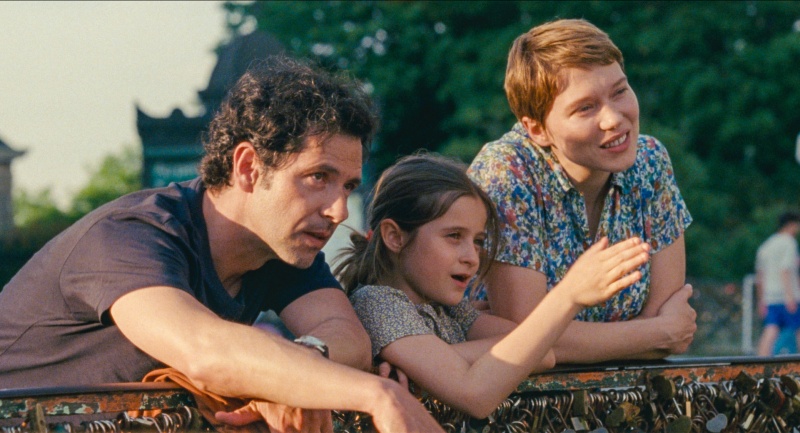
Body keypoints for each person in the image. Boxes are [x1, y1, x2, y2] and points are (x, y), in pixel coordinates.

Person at [0, 57, 444, 433]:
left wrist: (298, 368)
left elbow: (348, 338)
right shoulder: (131, 235)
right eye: (317, 177)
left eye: (347, 186)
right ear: (248, 167)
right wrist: (378, 395)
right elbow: (205, 351)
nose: (339, 211)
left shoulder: (280, 247)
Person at [334, 154, 650, 418]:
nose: (472, 257)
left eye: (478, 241)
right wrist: (568, 296)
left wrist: (442, 358)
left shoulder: (448, 309)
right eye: (454, 236)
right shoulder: (377, 303)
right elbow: (474, 395)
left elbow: (542, 353)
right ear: (394, 236)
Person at [467, 18, 696, 363]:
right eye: (585, 108)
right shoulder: (507, 172)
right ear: (537, 129)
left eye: (619, 91)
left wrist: (573, 339)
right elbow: (526, 341)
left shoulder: (650, 161)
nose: (613, 119)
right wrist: (657, 333)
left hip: (629, 386)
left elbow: (668, 311)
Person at [755, 211, 800, 356]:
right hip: (786, 296)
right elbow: (785, 270)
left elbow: (760, 275)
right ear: (791, 224)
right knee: (798, 330)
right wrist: (790, 296)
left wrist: (761, 300)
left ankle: (759, 363)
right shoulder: (789, 242)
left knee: (771, 329)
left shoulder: (766, 245)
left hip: (770, 296)